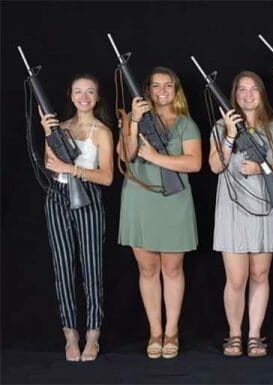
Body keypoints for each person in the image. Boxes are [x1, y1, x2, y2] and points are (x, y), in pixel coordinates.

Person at [117, 66, 202, 359]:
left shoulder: (186, 124)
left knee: (173, 269)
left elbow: (194, 164)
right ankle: (155, 331)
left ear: (175, 90)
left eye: (168, 85)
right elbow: (125, 155)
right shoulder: (132, 120)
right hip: (140, 199)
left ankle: (172, 331)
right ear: (147, 91)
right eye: (156, 86)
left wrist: (156, 157)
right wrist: (135, 122)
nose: (162, 91)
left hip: (174, 200)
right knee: (147, 269)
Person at [208, 71, 273, 358]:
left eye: (253, 89)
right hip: (232, 208)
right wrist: (231, 136)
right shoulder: (221, 127)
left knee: (260, 273)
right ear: (234, 95)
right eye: (241, 89)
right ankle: (234, 335)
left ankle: (254, 335)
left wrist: (261, 167)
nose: (247, 94)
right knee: (236, 278)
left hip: (265, 207)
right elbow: (215, 166)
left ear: (261, 93)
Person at [39, 74, 114, 362]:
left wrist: (71, 170)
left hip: (88, 197)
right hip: (58, 198)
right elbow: (50, 164)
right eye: (78, 92)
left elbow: (106, 177)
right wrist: (48, 133)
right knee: (62, 267)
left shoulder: (102, 131)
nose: (84, 97)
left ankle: (93, 335)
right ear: (70, 95)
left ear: (97, 97)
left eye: (90, 92)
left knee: (92, 266)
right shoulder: (62, 128)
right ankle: (70, 334)